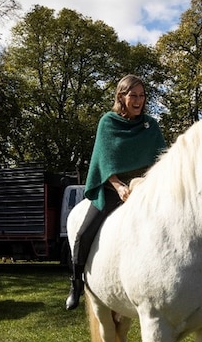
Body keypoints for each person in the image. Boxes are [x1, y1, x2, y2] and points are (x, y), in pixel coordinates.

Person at [66, 74, 167, 310]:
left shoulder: (151, 125)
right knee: (83, 235)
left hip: (145, 189)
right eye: (133, 95)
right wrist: (120, 186)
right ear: (121, 96)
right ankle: (76, 284)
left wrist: (145, 183)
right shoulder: (108, 122)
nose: (139, 100)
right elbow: (104, 162)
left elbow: (162, 159)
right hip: (113, 190)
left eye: (142, 96)